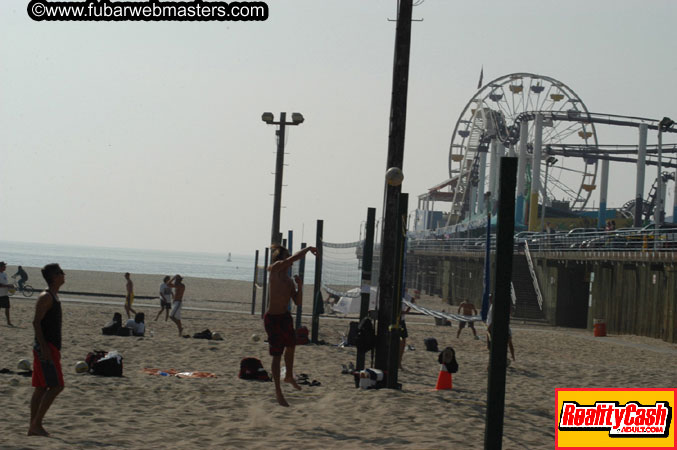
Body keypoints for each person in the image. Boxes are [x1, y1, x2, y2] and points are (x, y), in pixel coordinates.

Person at [265, 244, 317, 407]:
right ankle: (278, 392)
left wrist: (300, 286)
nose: (290, 262)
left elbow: (298, 302)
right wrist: (308, 249)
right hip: (272, 318)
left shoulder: (288, 281)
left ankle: (288, 375)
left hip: (285, 317)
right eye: (286, 257)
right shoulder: (275, 269)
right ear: (280, 259)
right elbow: (294, 258)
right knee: (277, 355)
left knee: (292, 346)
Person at [28, 263, 65, 437]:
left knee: (41, 387)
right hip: (46, 347)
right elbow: (36, 322)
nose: (63, 274)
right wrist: (44, 347)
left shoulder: (54, 296)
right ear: (53, 277)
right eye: (60, 273)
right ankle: (36, 424)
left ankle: (33, 426)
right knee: (57, 386)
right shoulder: (46, 297)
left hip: (50, 346)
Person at [485, 294, 515, 361]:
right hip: (492, 327)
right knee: (490, 346)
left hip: (496, 327)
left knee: (508, 341)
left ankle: (512, 357)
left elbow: (497, 318)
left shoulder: (497, 306)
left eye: (491, 298)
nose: (489, 300)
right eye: (489, 298)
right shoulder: (492, 306)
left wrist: (489, 326)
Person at [399, 288, 419, 369]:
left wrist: (406, 311)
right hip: (393, 319)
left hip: (401, 320)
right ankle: (397, 361)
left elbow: (412, 300)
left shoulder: (404, 293)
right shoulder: (395, 291)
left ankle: (399, 362)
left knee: (403, 341)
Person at [0, 262, 14, 326]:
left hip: (5, 295)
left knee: (7, 308)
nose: (5, 267)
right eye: (4, 266)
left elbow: (5, 283)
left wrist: (11, 287)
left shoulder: (5, 274)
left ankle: (8, 322)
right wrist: (7, 286)